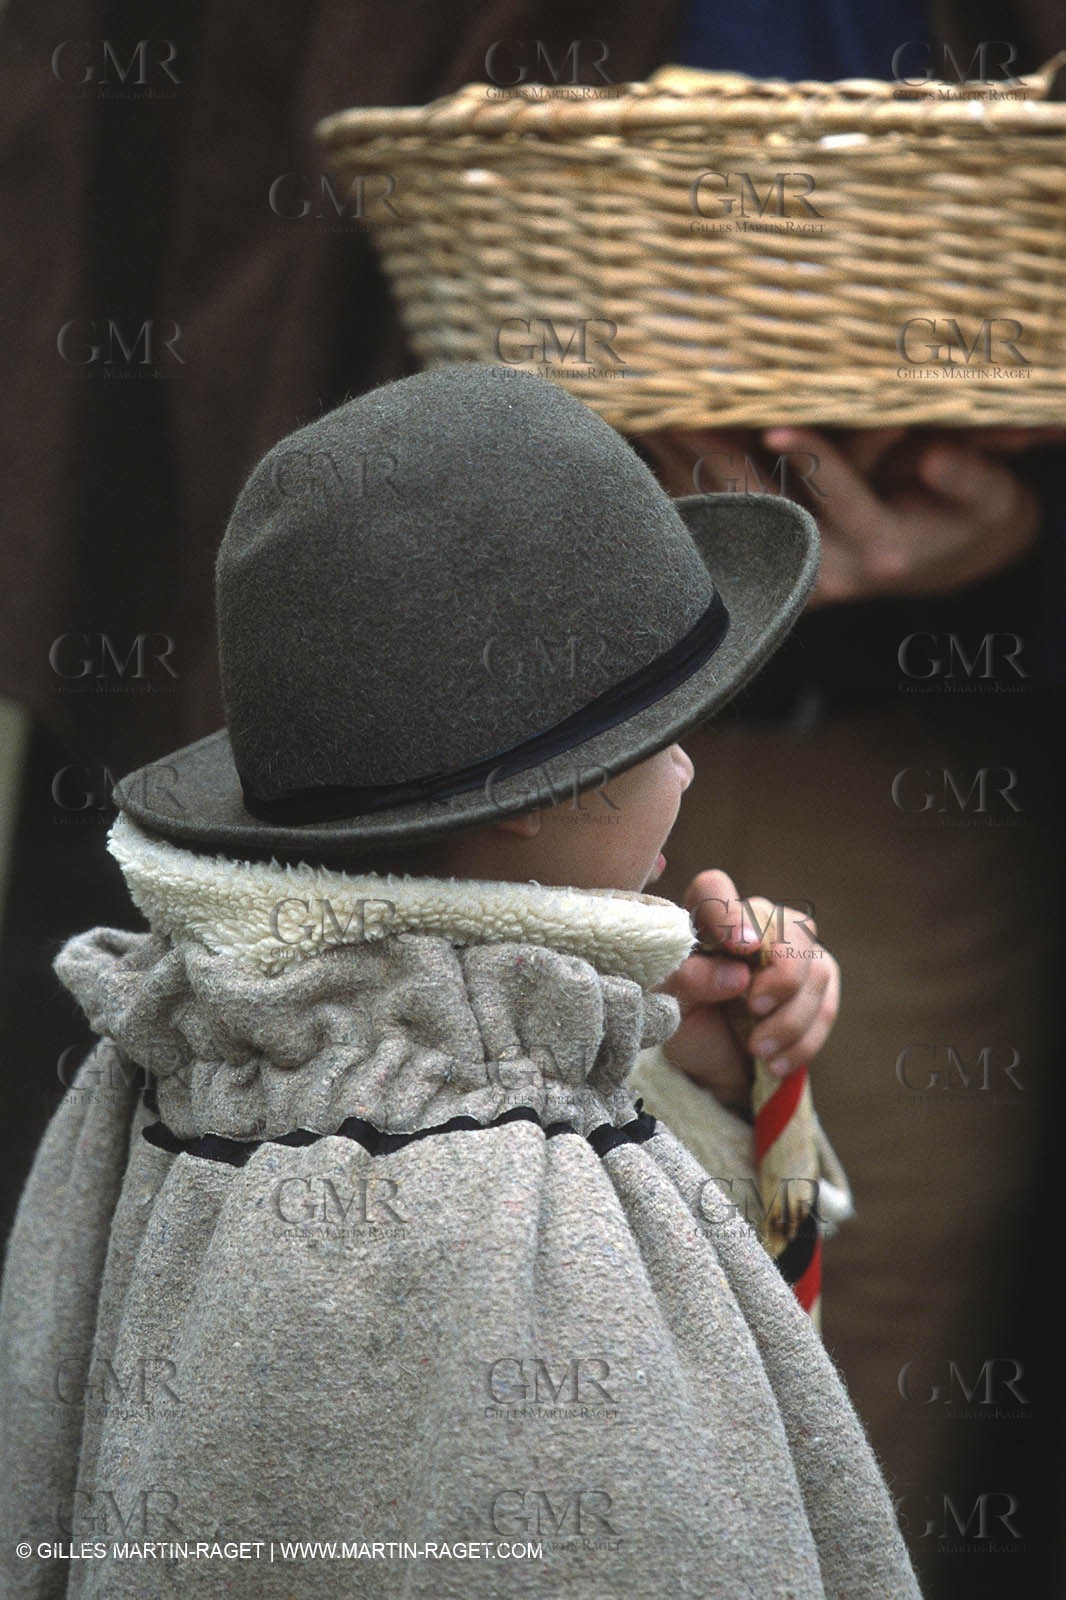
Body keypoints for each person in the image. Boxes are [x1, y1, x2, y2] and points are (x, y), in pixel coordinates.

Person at [0, 364, 919, 1598]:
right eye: (653, 738)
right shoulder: (474, 1178)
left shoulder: (196, 1039)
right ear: (527, 810)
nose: (692, 771)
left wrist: (683, 1072)